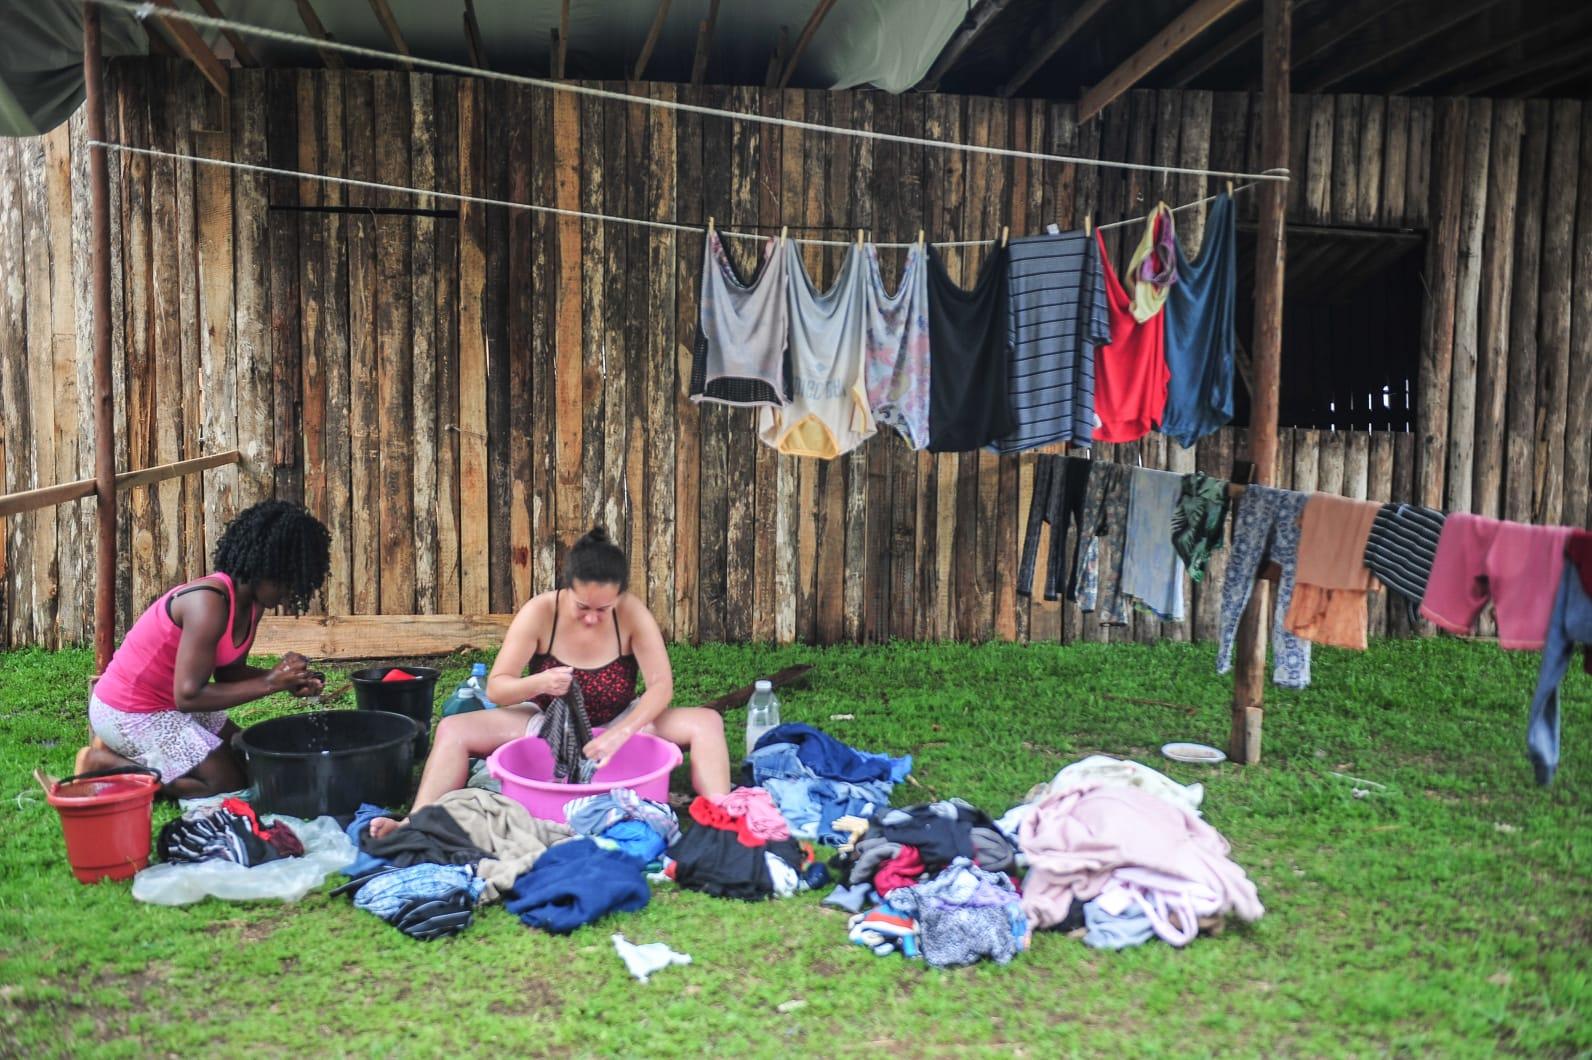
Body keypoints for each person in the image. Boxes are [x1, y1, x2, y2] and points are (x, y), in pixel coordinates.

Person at [368, 527, 729, 839]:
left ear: (618, 597)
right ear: (566, 589)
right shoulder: (540, 613)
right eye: (582, 607)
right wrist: (540, 682)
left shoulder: (633, 615)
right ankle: (413, 822)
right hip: (546, 721)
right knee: (453, 729)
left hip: (620, 719)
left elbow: (661, 686)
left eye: (603, 610)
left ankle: (722, 818)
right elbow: (497, 688)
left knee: (707, 722)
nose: (592, 618)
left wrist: (623, 732)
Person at [77, 500, 331, 798]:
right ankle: (103, 765)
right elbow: (188, 696)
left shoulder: (252, 605)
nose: (290, 593)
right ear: (264, 566)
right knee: (225, 782)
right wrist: (271, 682)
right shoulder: (208, 603)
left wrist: (287, 680)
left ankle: (130, 758)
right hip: (128, 710)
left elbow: (229, 674)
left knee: (247, 755)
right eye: (286, 581)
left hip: (167, 703)